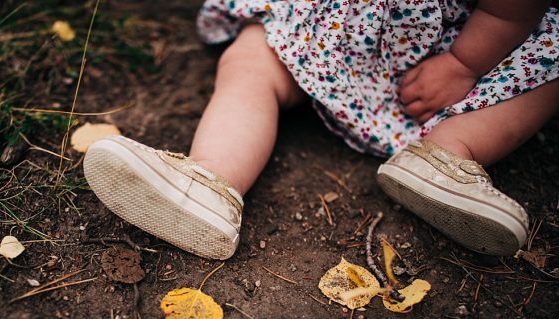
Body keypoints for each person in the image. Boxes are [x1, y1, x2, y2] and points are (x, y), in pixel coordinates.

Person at [85, 0, 559, 259]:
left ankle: (449, 153)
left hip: (456, 53)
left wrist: (463, 62)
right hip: (332, 33)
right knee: (253, 63)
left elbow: (512, 10)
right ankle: (210, 182)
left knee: (548, 67)